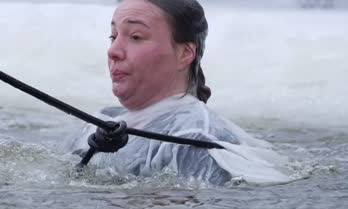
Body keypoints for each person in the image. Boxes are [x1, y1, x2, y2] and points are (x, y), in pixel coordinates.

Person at [68, 0, 289, 185]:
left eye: (136, 37)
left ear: (185, 53)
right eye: (113, 36)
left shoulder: (197, 140)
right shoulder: (101, 120)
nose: (113, 51)